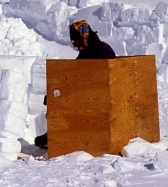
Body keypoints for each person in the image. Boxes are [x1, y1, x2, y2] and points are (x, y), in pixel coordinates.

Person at [34, 19, 116, 148]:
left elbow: (85, 77)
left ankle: (56, 134)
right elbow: (73, 75)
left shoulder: (95, 50)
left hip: (99, 98)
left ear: (82, 36)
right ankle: (55, 132)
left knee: (62, 100)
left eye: (74, 40)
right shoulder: (93, 48)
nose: (74, 44)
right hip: (98, 94)